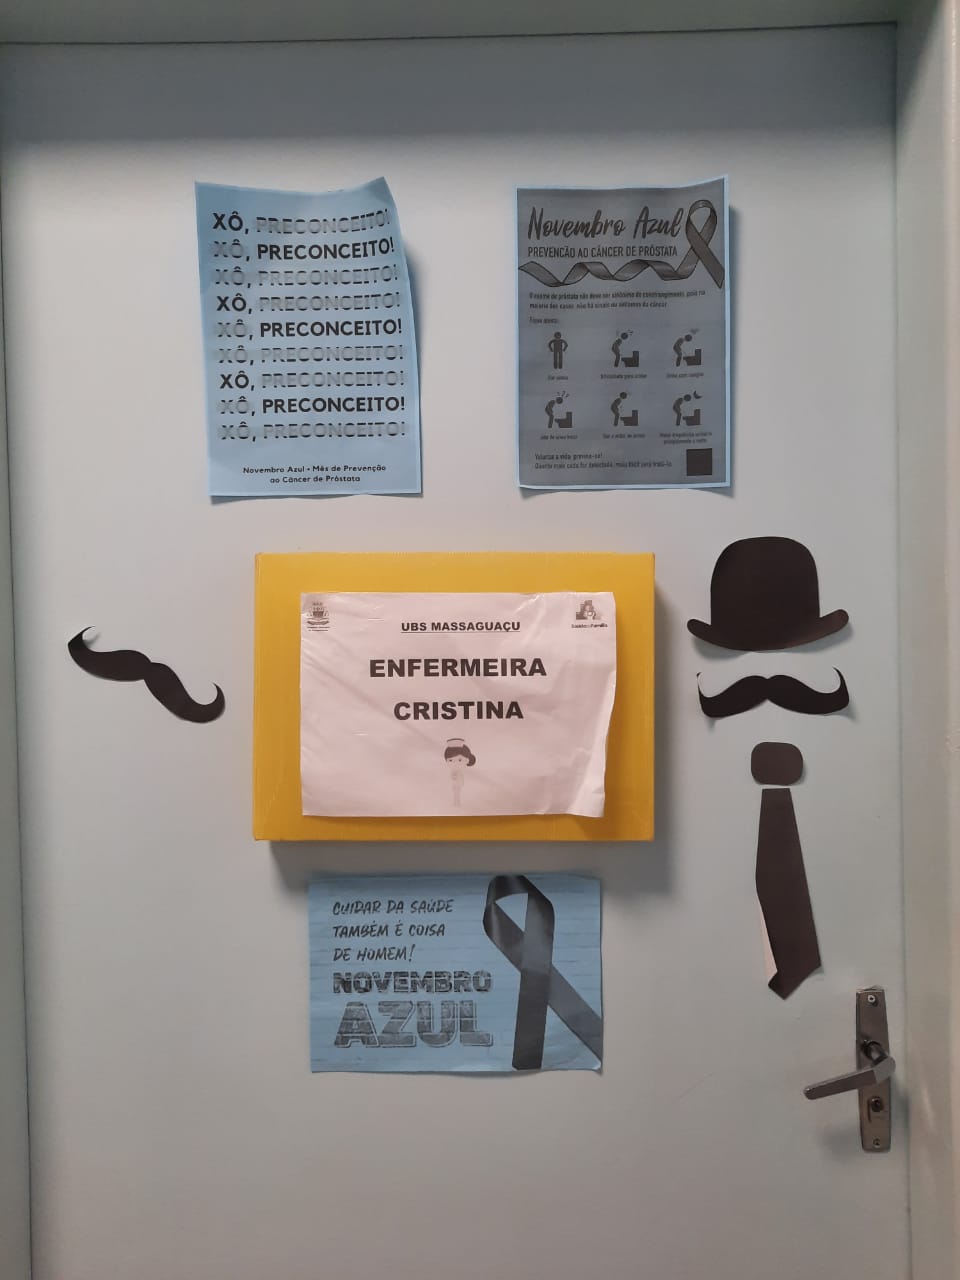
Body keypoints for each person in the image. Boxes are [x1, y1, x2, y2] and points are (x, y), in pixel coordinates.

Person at [444, 739, 476, 807]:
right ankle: (456, 803)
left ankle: (457, 803)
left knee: (457, 792)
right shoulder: (454, 770)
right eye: (450, 760)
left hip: (459, 783)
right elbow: (451, 778)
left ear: (467, 760)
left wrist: (458, 779)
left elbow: (461, 778)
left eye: (459, 760)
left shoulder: (461, 771)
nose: (455, 763)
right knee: (456, 793)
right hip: (456, 784)